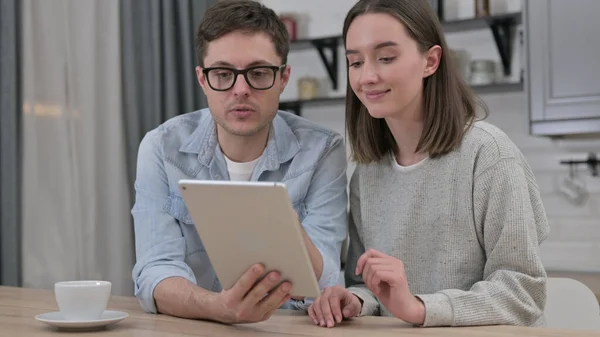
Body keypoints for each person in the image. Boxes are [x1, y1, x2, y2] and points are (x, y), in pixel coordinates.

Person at [308, 0, 550, 328]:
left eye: (386, 58)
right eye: (354, 62)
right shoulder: (366, 175)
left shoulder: (489, 155)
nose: (367, 76)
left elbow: (523, 292)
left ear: (430, 61)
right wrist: (354, 299)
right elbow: (372, 286)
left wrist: (420, 308)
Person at [131, 0, 348, 324]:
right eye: (223, 74)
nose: (241, 89)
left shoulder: (322, 151)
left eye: (258, 73)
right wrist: (217, 309)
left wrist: (294, 238)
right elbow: (154, 272)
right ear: (203, 79)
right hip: (193, 328)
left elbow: (328, 280)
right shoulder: (161, 148)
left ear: (283, 78)